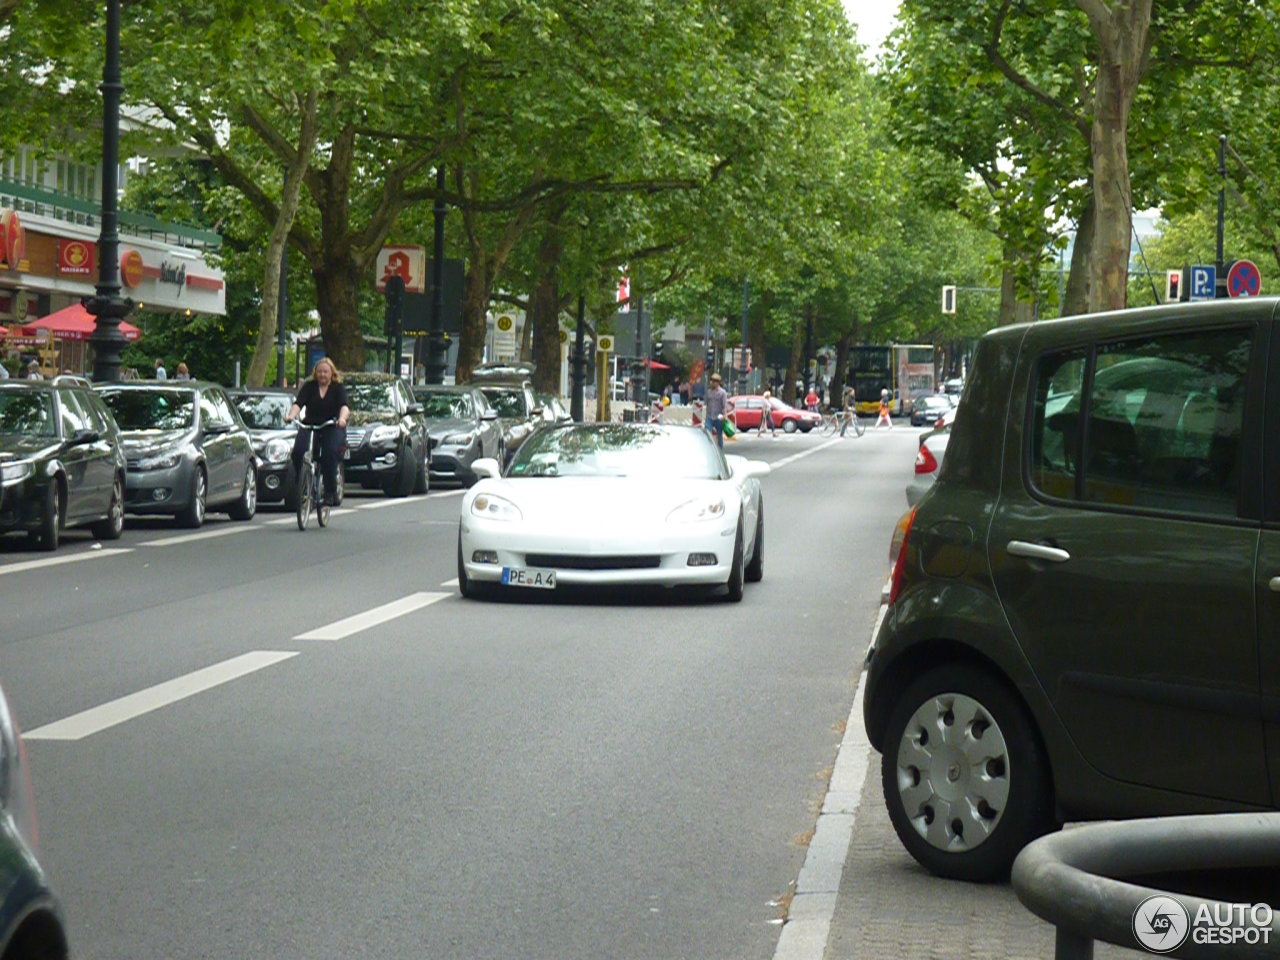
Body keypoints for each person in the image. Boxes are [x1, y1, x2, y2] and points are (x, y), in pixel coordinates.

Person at [285, 357, 350, 505]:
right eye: (320, 372)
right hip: (311, 424)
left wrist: (342, 419)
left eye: (325, 372)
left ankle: (329, 491)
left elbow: (344, 406)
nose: (322, 375)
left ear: (331, 373)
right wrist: (291, 416)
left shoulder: (337, 388)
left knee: (330, 453)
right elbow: (298, 403)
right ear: (316, 373)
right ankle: (302, 480)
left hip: (331, 425)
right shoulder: (309, 386)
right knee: (298, 451)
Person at [704, 373, 734, 450]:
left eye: (714, 381)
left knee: (719, 434)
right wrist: (706, 415)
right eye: (711, 381)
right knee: (707, 432)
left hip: (719, 417)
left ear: (718, 382)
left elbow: (724, 405)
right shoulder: (708, 392)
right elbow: (706, 403)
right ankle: (708, 448)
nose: (712, 383)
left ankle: (720, 449)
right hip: (710, 416)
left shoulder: (722, 393)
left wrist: (725, 416)